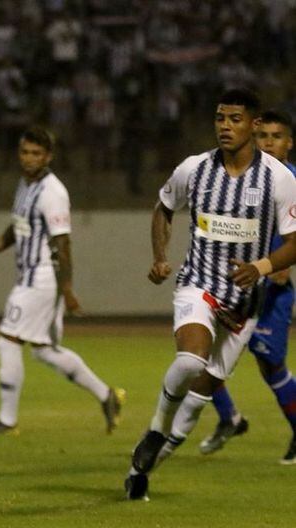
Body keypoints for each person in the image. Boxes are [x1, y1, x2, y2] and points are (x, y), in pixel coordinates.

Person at [125, 89, 296, 500]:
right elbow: (164, 206)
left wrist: (261, 267)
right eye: (220, 118)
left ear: (253, 125)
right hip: (198, 285)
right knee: (189, 360)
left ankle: (140, 470)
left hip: (245, 304)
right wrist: (161, 256)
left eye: (235, 119)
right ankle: (153, 428)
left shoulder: (278, 178)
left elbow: (293, 240)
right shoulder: (194, 169)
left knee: (199, 403)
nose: (225, 126)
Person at [0, 126, 125, 435]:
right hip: (30, 275)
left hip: (42, 278)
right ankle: (107, 395)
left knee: (7, 338)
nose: (29, 159)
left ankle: (7, 420)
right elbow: (17, 228)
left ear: (48, 156)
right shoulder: (25, 185)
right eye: (25, 152)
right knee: (44, 350)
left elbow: (63, 244)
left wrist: (67, 289)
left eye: (36, 154)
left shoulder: (53, 192)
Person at [193, 109, 296, 464]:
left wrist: (269, 270)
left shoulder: (289, 181)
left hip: (271, 293)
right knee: (200, 354)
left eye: (276, 136)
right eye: (262, 136)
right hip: (235, 289)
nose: (268, 142)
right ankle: (229, 419)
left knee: (270, 364)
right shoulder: (250, 177)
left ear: (289, 143)